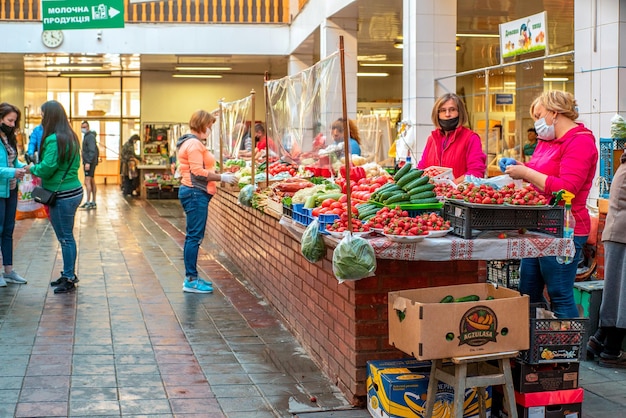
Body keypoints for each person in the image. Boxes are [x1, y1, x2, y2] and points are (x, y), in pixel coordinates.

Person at [504, 90, 598, 318]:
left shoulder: (581, 142)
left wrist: (525, 171)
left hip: (564, 229)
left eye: (538, 115)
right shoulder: (548, 141)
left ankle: (565, 349)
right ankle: (535, 346)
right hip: (537, 228)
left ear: (554, 113)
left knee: (559, 292)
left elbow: (566, 188)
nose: (536, 123)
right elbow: (541, 174)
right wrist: (519, 167)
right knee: (528, 290)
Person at [176, 110, 238, 294]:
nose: (210, 130)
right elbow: (198, 172)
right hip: (195, 193)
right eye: (209, 126)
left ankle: (192, 277)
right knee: (194, 237)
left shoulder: (189, 141)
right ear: (203, 125)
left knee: (193, 236)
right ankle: (191, 281)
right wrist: (222, 177)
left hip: (193, 192)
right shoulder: (194, 144)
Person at [25, 100, 83, 293]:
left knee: (65, 238)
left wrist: (32, 168)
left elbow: (48, 168)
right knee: (67, 237)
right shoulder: (71, 136)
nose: (42, 119)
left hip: (62, 194)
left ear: (50, 116)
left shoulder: (53, 139)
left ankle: (69, 277)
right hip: (73, 190)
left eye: (43, 115)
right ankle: (67, 273)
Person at [586, 149, 626, 367]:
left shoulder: (623, 164)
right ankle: (611, 350)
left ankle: (597, 341)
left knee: (615, 293)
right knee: (621, 297)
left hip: (617, 235)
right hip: (622, 236)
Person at [416, 93, 486, 184]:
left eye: (452, 110)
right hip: (431, 196)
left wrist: (450, 185)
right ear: (437, 114)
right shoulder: (431, 139)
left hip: (458, 196)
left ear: (460, 113)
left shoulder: (471, 138)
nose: (447, 114)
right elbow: (422, 168)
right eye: (443, 110)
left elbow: (476, 173)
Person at [0, 102, 28, 287]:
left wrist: (22, 167)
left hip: (10, 189)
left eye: (14, 121)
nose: (12, 124)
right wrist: (12, 172)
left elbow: (12, 161)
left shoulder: (8, 138)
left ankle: (9, 271)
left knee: (8, 230)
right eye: (9, 120)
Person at [80, 121, 99, 209]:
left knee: (87, 181)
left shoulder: (90, 137)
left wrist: (88, 162)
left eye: (84, 127)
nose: (83, 129)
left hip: (89, 162)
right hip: (90, 162)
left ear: (88, 127)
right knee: (91, 181)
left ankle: (88, 201)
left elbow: (92, 150)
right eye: (82, 127)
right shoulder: (88, 136)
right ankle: (93, 201)